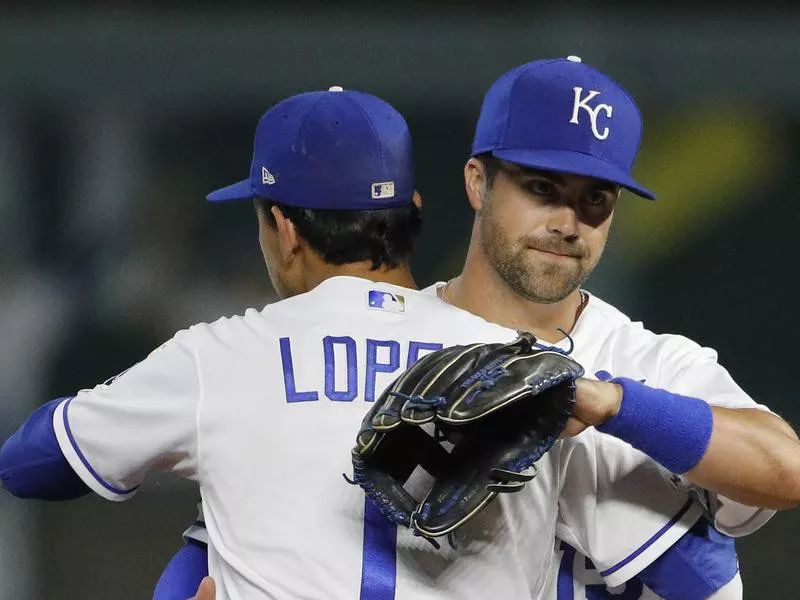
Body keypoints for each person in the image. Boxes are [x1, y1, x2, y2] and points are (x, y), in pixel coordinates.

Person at [0, 86, 740, 599]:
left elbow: (34, 462)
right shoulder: (526, 373)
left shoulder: (222, 358)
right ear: (414, 210)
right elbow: (695, 574)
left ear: (282, 228)